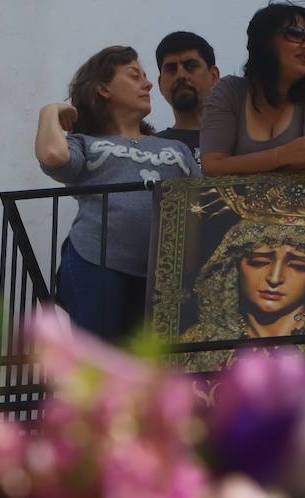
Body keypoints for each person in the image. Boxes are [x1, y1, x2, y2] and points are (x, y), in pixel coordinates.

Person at [35, 45, 198, 341]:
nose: (147, 83)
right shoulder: (84, 143)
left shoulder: (177, 149)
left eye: (145, 77)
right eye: (134, 76)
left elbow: (204, 204)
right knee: (100, 360)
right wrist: (51, 111)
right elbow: (51, 154)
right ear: (103, 89)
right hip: (95, 260)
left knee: (159, 368)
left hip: (168, 272)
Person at [179, 219, 305, 375]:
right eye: (258, 262)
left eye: (299, 266)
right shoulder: (197, 345)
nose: (274, 278)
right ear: (232, 268)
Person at [201, 0, 305, 176]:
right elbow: (212, 167)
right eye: (296, 33)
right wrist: (282, 155)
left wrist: (238, 165)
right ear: (264, 40)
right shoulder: (229, 91)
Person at [154, 30, 220, 163]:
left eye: (191, 66)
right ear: (160, 84)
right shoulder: (150, 151)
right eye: (171, 68)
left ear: (213, 76)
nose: (181, 75)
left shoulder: (240, 142)